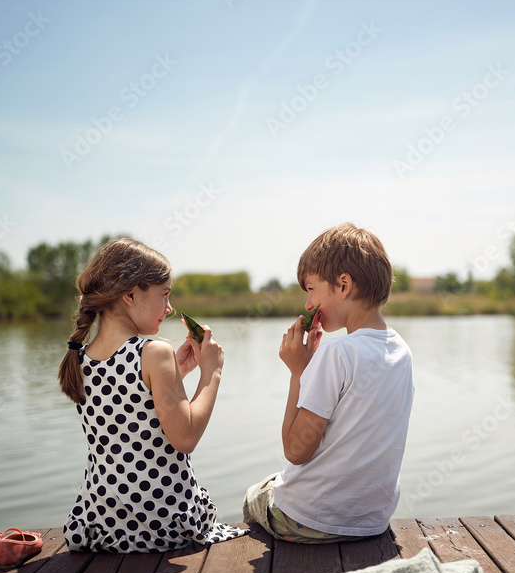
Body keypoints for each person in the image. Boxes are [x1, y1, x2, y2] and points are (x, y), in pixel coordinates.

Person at [59, 238, 247, 553]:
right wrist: (211, 372)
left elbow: (131, 411)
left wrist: (177, 375)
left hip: (101, 525)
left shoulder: (79, 358)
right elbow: (185, 438)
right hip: (163, 525)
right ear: (130, 295)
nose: (170, 309)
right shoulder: (154, 351)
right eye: (165, 295)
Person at [243, 223, 415, 543]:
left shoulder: (337, 353)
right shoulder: (401, 351)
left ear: (343, 285)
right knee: (275, 482)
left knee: (255, 494)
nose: (308, 305)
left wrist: (299, 372)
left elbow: (295, 451)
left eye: (310, 289)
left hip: (309, 521)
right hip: (371, 522)